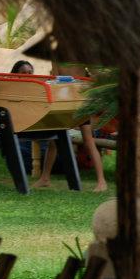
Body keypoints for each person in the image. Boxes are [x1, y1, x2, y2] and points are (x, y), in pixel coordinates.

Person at [33, 64, 109, 192]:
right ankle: (45, 178)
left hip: (79, 101)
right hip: (63, 100)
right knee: (54, 141)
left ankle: (102, 181)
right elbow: (54, 77)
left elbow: (96, 73)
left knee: (88, 141)